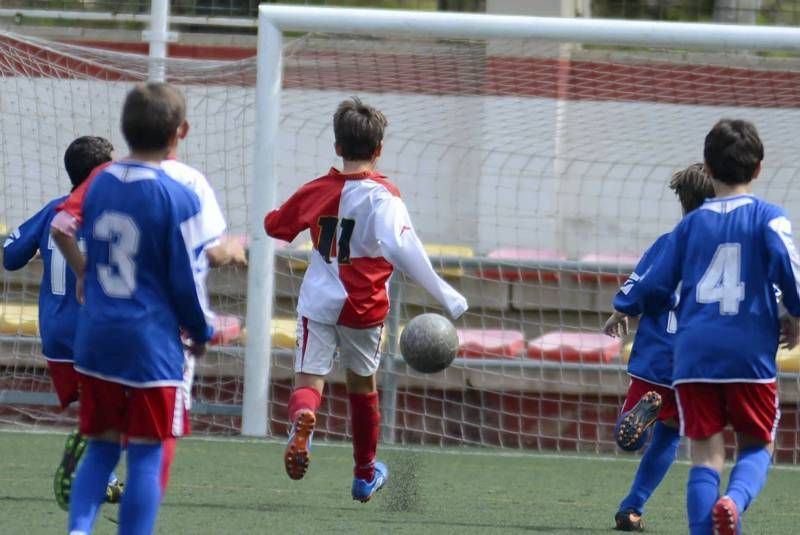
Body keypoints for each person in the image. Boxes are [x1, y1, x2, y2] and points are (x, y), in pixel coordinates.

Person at [265, 97, 468, 502]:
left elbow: (275, 227)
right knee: (363, 387)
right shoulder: (384, 196)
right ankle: (363, 474)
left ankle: (303, 419)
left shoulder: (314, 190)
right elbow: (406, 247)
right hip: (364, 309)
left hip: (318, 304)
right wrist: (447, 295)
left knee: (309, 381)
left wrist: (286, 213)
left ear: (337, 147)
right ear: (379, 150)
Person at [604, 119, 800, 535]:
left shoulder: (686, 230)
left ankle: (666, 509)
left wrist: (624, 306)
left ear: (709, 167)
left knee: (704, 456)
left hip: (687, 355)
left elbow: (655, 282)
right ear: (760, 167)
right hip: (747, 351)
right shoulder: (769, 218)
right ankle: (734, 500)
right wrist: (794, 315)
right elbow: (789, 273)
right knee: (756, 445)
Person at [51, 98, 247, 503]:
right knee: (158, 435)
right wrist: (234, 248)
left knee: (108, 425)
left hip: (104, 322)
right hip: (163, 326)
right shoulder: (187, 184)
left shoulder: (107, 176)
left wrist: (85, 272)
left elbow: (61, 226)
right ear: (182, 131)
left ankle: (91, 477)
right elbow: (203, 253)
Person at [2, 136, 124, 511]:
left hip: (55, 335)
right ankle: (99, 471)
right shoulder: (114, 213)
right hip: (99, 330)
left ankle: (103, 471)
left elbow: (9, 255)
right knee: (125, 403)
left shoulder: (53, 210)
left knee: (97, 401)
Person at [603, 163, 715, 532]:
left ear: (681, 201)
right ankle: (631, 507)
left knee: (633, 436)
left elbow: (646, 287)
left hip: (654, 355)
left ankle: (633, 419)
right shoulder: (726, 253)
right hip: (698, 360)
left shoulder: (667, 243)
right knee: (670, 435)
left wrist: (621, 310)